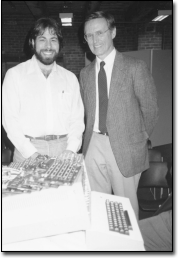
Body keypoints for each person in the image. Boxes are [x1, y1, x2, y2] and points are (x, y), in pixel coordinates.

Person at [79, 11, 158, 219]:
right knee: (96, 206)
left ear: (113, 32)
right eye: (89, 35)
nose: (94, 40)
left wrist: (137, 140)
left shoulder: (135, 67)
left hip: (126, 146)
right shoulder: (85, 74)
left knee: (126, 210)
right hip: (93, 144)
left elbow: (150, 110)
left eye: (99, 33)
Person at [2, 17, 84, 162]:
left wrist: (71, 149)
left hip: (64, 151)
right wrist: (32, 153)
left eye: (53, 39)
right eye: (42, 39)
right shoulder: (15, 75)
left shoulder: (70, 78)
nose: (48, 46)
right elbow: (9, 120)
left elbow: (77, 120)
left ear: (59, 44)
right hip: (26, 151)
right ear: (33, 42)